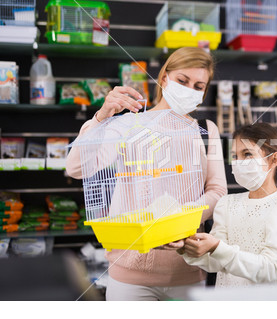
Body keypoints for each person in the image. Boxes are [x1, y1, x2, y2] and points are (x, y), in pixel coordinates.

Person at [66, 47, 227, 300]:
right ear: (164, 79)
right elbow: (76, 168)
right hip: (128, 274)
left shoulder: (207, 130)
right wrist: (101, 117)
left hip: (186, 270)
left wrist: (176, 219)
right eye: (182, 81)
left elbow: (217, 191)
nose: (189, 90)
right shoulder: (127, 124)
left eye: (198, 86)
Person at [178, 123, 277, 288]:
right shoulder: (227, 204)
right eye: (235, 156)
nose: (238, 162)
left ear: (273, 160)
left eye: (247, 154)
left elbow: (273, 269)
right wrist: (186, 246)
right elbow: (215, 263)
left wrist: (217, 247)